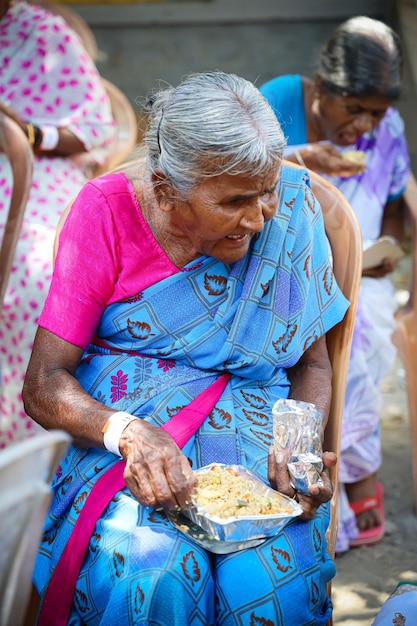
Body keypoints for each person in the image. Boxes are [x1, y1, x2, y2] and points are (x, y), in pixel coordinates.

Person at [23, 71, 349, 625]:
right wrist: (125, 432)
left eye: (266, 191)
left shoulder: (293, 208)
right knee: (156, 574)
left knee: (270, 582)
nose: (259, 217)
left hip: (254, 454)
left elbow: (312, 363)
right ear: (166, 186)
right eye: (234, 201)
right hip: (132, 454)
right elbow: (44, 383)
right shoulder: (105, 210)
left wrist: (298, 448)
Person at [260, 16, 410, 553]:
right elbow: (234, 173)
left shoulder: (386, 130)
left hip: (361, 275)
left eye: (377, 112)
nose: (366, 125)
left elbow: (395, 204)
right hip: (278, 268)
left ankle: (351, 476)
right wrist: (301, 158)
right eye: (355, 109)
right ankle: (344, 486)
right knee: (324, 335)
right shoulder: (278, 101)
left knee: (366, 330)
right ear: (322, 88)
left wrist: (385, 250)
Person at [0, 0, 116, 447]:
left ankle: (39, 445)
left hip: (36, 172)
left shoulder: (41, 33)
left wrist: (22, 133)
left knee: (44, 273)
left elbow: (91, 128)